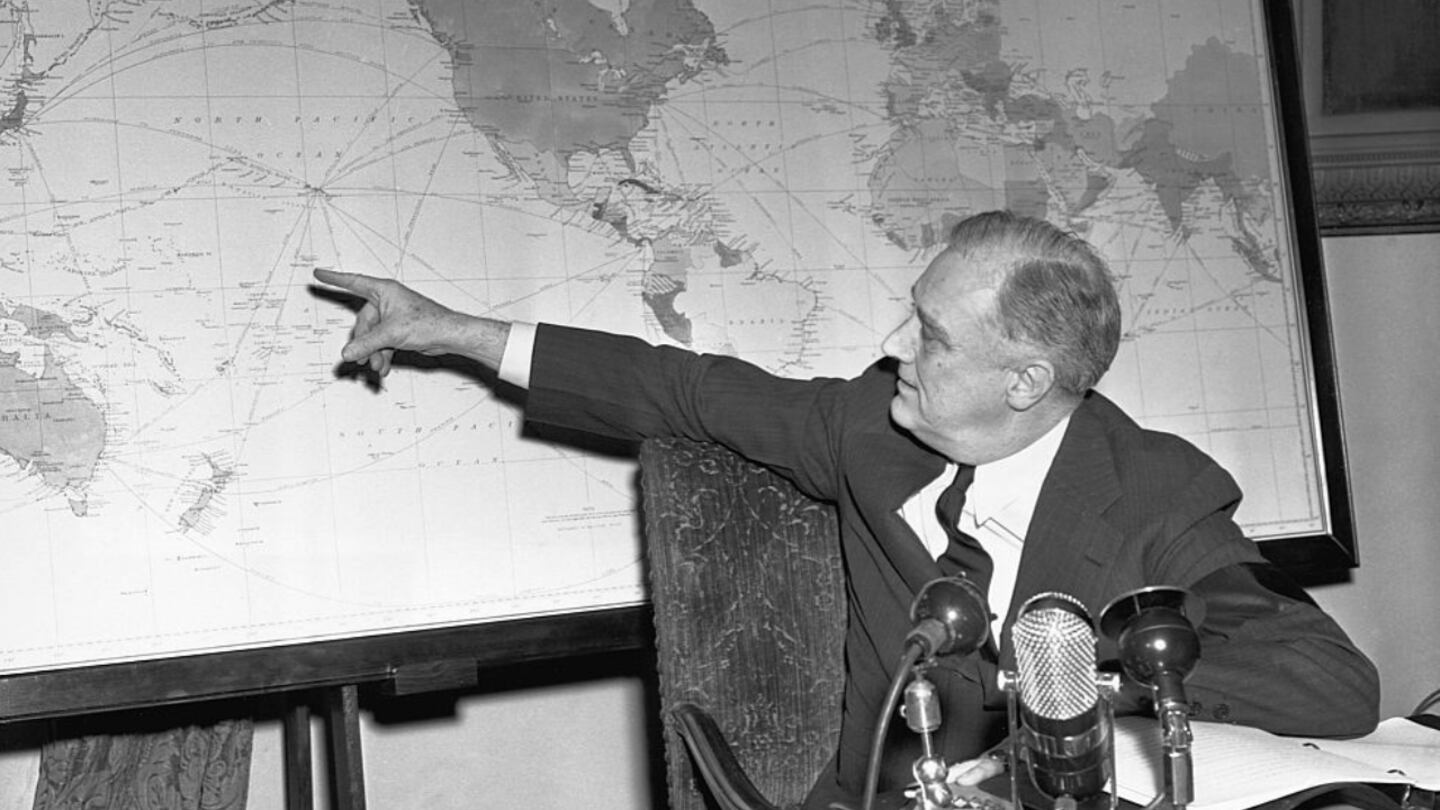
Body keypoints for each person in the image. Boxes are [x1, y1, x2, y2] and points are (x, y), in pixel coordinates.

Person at [312, 211, 1379, 809]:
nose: (891, 348)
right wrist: (455, 332)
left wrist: (1075, 690)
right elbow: (681, 388)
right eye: (913, 318)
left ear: (1025, 381)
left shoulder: (1155, 490)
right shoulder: (867, 427)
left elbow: (1331, 683)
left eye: (932, 338)